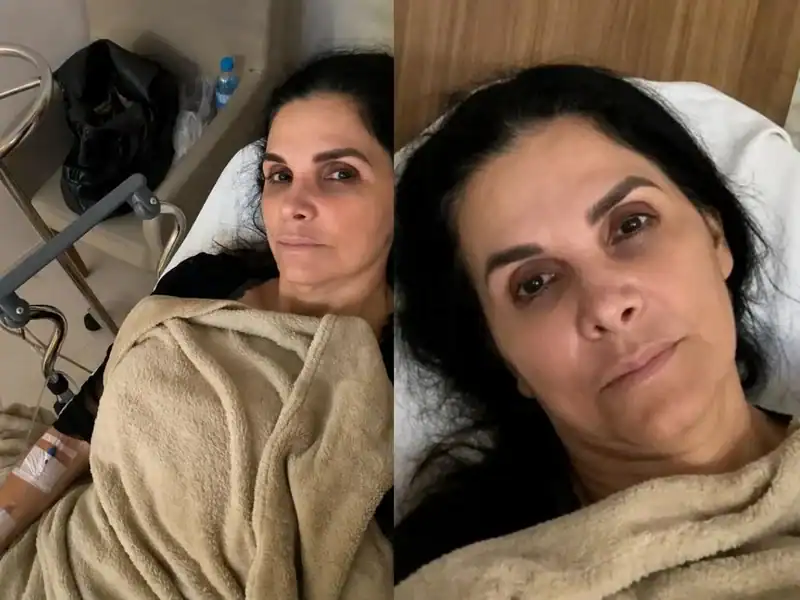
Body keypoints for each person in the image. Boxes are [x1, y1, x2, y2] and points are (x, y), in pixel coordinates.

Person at [0, 50, 394, 593]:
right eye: (280, 175)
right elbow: (77, 431)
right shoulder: (206, 280)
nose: (293, 205)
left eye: (340, 173)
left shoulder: (397, 379)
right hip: (65, 553)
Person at [392, 64, 793, 583]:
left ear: (715, 237)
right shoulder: (469, 581)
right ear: (500, 353)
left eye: (631, 224)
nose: (606, 305)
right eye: (535, 283)